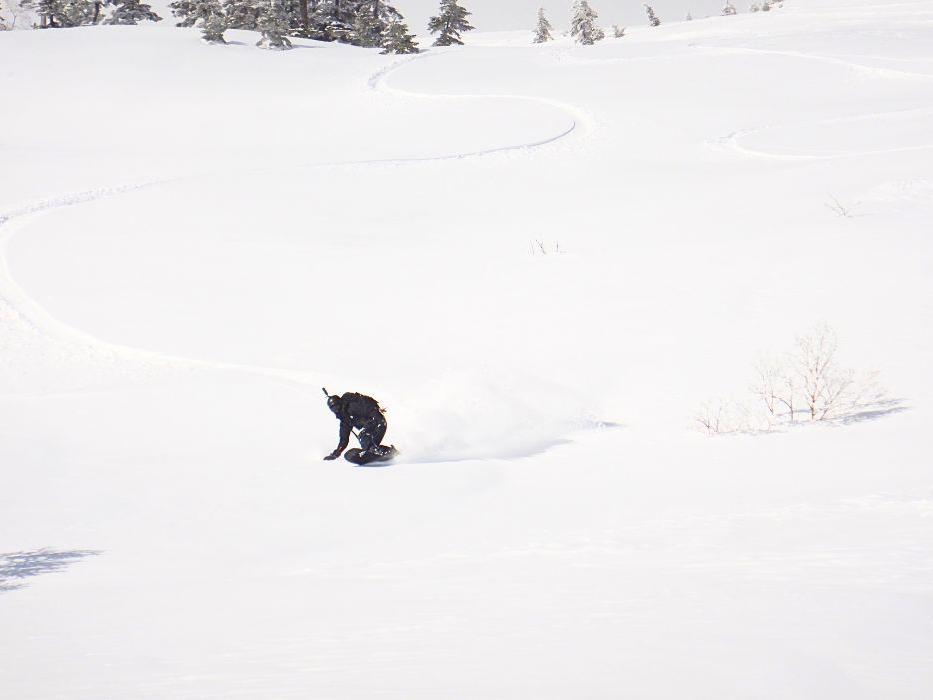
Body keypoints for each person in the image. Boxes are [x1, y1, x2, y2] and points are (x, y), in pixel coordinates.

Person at [323, 390, 394, 461]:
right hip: (371, 426)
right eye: (333, 409)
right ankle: (390, 453)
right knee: (365, 440)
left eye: (337, 406)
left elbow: (369, 408)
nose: (336, 410)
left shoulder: (352, 405)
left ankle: (377, 453)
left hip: (378, 421)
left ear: (340, 403)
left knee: (364, 438)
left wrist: (377, 418)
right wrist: (337, 452)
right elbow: (344, 438)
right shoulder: (345, 418)